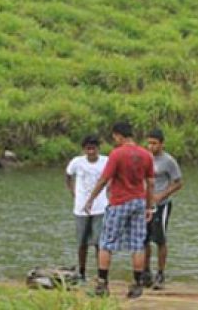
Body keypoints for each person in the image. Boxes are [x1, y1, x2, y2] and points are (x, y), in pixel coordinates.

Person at [83, 121, 154, 299]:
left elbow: (104, 179)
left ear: (118, 135)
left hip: (120, 201)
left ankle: (102, 284)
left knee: (106, 242)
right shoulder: (146, 155)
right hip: (138, 201)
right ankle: (137, 284)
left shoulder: (117, 154)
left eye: (114, 137)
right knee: (138, 243)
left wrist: (91, 199)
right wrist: (149, 206)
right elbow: (151, 183)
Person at [143, 128, 183, 290]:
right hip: (145, 204)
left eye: (154, 143)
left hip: (161, 205)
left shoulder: (168, 161)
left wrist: (162, 195)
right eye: (149, 143)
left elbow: (178, 182)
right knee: (143, 239)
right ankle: (145, 272)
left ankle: (160, 273)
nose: (151, 146)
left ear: (162, 144)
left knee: (160, 239)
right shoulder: (144, 158)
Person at [65, 134, 108, 283]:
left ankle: (100, 274)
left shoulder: (105, 161)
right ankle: (82, 272)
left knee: (99, 243)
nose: (91, 152)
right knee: (81, 242)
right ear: (84, 149)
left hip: (100, 208)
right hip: (81, 208)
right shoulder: (77, 162)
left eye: (93, 149)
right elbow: (68, 175)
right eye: (88, 149)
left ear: (98, 149)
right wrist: (73, 193)